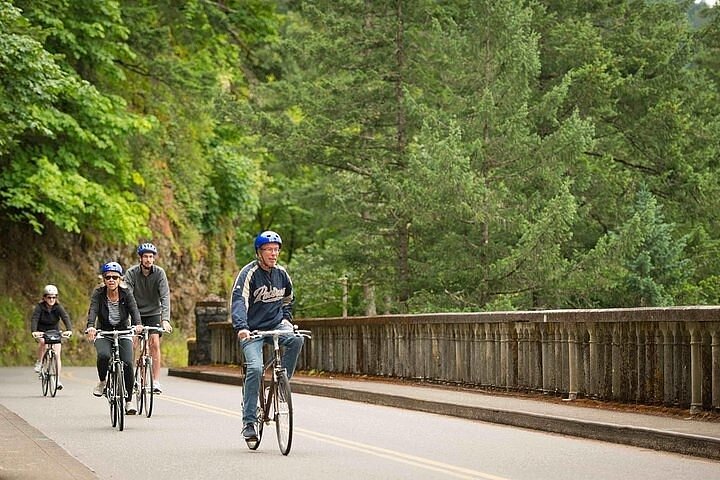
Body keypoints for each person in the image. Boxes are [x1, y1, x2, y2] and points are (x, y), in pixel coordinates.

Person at [231, 230, 304, 442]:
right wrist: (241, 327)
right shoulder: (249, 274)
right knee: (255, 367)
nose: (273, 254)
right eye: (269, 250)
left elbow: (288, 300)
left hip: (276, 325)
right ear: (259, 252)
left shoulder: (282, 274)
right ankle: (249, 422)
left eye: (276, 250)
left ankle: (282, 384)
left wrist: (288, 321)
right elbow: (238, 302)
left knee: (297, 338)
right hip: (252, 329)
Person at [85, 261, 143, 415]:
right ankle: (103, 382)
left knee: (127, 364)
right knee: (104, 355)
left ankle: (129, 401)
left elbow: (134, 310)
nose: (111, 280)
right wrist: (91, 326)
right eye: (108, 277)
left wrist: (138, 324)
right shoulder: (98, 293)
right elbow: (93, 310)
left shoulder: (126, 293)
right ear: (104, 279)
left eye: (115, 277)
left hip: (123, 331)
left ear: (120, 279)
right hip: (104, 332)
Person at [124, 242, 173, 394]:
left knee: (154, 344)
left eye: (151, 257)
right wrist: (132, 321)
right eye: (145, 256)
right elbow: (128, 297)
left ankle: (156, 381)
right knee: (132, 344)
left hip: (153, 313)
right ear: (140, 258)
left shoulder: (159, 273)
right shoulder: (131, 273)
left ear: (154, 259)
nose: (148, 260)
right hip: (136, 313)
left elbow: (165, 297)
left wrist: (165, 320)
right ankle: (130, 377)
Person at [30, 285, 73, 389]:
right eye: (49, 297)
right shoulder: (39, 307)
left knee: (57, 354)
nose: (51, 300)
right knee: (43, 343)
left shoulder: (58, 307)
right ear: (44, 298)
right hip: (42, 331)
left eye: (54, 297)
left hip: (54, 331)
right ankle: (40, 363)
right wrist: (34, 331)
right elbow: (35, 319)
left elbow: (65, 317)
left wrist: (69, 330)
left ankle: (57, 380)